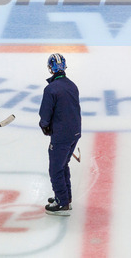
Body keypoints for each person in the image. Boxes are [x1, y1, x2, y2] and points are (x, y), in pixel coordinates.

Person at [39, 53, 81, 216]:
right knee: (63, 165)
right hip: (75, 132)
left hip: (62, 135)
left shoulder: (51, 89)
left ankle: (62, 203)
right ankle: (65, 197)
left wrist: (44, 126)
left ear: (51, 68)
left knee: (55, 168)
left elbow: (45, 113)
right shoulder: (72, 85)